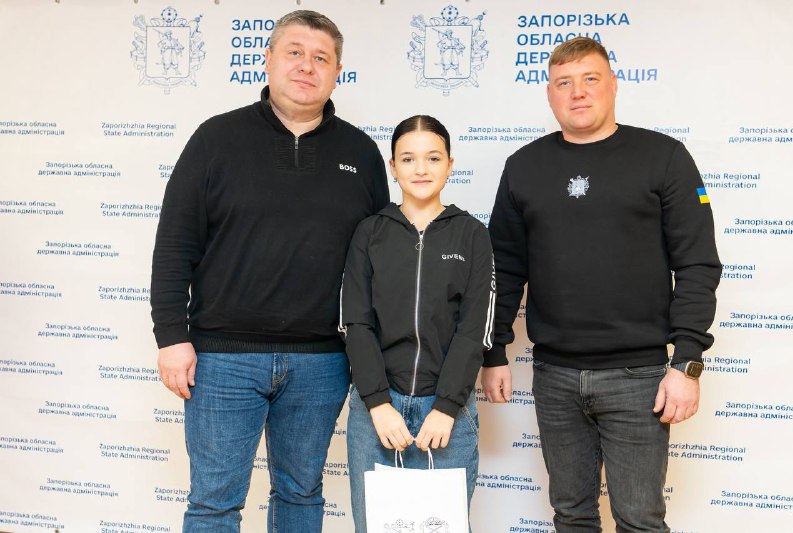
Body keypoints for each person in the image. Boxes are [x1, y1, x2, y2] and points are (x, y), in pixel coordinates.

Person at [149, 10, 389, 532]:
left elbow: (377, 263)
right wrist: (171, 337)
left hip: (323, 362)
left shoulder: (362, 152)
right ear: (268, 60)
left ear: (338, 71)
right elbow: (174, 245)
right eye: (294, 52)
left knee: (301, 495)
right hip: (222, 358)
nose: (307, 66)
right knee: (214, 503)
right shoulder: (216, 139)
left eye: (321, 57)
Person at [482, 37, 721, 532]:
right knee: (571, 516)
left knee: (639, 521)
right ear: (549, 94)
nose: (578, 92)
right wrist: (494, 351)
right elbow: (503, 268)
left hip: (640, 378)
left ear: (613, 84)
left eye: (590, 79)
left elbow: (697, 264)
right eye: (564, 83)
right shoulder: (523, 166)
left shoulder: (664, 157)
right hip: (554, 376)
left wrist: (687, 362)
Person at [340, 115, 495, 533]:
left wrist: (446, 407)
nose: (421, 169)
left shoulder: (472, 235)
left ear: (450, 164)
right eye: (408, 159)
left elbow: (474, 329)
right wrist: (377, 403)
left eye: (433, 158)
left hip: (446, 413)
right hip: (377, 410)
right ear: (393, 167)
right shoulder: (369, 233)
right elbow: (355, 322)